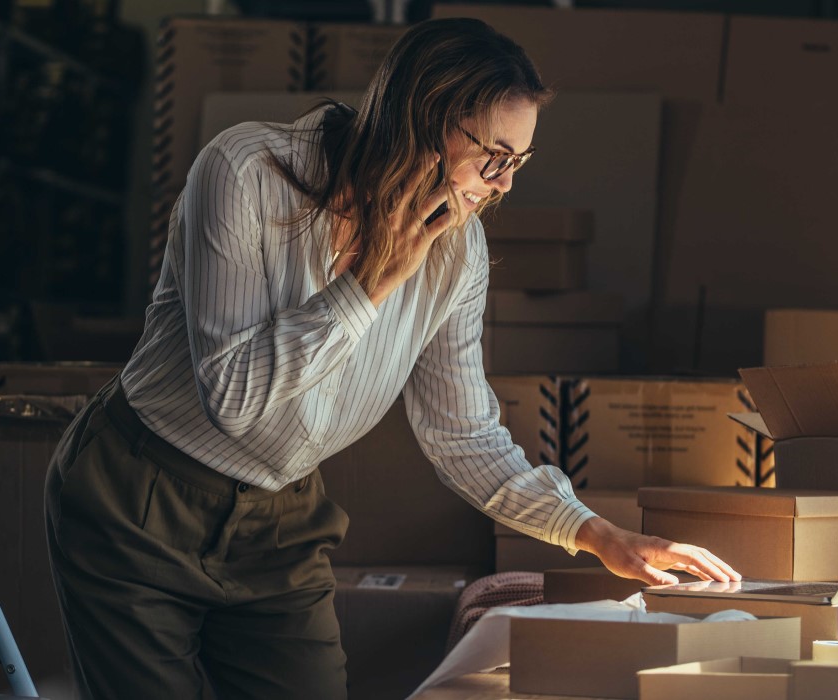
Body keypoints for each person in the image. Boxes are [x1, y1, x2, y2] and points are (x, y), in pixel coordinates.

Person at [44, 17, 741, 699]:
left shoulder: (459, 254)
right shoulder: (245, 173)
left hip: (280, 520)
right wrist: (371, 283)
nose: (503, 186)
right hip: (136, 498)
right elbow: (232, 396)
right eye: (494, 157)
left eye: (518, 164)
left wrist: (597, 534)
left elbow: (463, 436)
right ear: (424, 119)